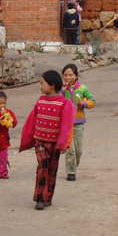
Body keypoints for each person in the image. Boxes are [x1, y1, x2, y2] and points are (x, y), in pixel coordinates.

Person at [19, 70, 75, 210]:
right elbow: (32, 120)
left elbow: (66, 125)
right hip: (40, 143)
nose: (40, 87)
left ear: (52, 85)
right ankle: (39, 198)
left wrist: (62, 143)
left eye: (42, 83)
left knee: (52, 170)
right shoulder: (40, 100)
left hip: (55, 144)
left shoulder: (64, 103)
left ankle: (47, 197)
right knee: (42, 168)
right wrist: (28, 138)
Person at [62, 64, 95, 181]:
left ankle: (74, 166)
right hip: (66, 124)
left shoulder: (82, 88)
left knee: (78, 150)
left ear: (76, 76)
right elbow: (56, 99)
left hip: (79, 123)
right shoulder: (62, 89)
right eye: (65, 75)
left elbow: (92, 101)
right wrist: (62, 90)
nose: (67, 77)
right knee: (70, 149)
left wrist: (84, 104)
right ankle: (71, 172)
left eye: (70, 75)